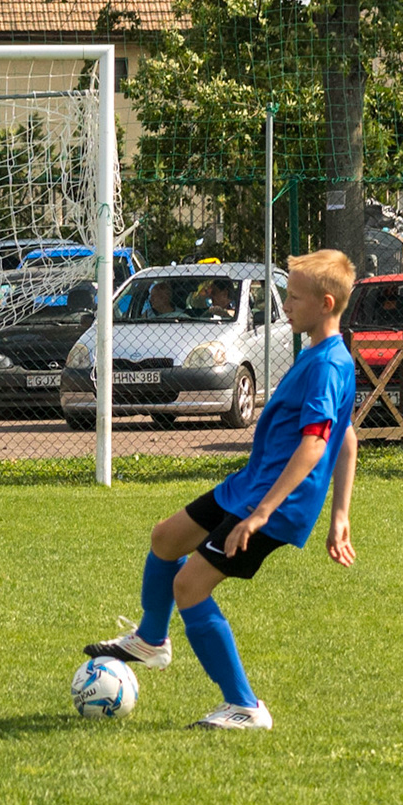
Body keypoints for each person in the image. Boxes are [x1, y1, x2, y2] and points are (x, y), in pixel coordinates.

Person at [84, 250, 360, 730]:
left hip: (272, 504)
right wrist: (340, 517)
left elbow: (317, 446)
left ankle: (245, 707)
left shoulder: (328, 366)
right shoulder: (321, 354)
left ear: (325, 303)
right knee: (166, 538)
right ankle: (151, 640)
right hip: (249, 487)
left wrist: (260, 515)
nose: (285, 305)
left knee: (189, 587)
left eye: (293, 297)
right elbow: (348, 438)